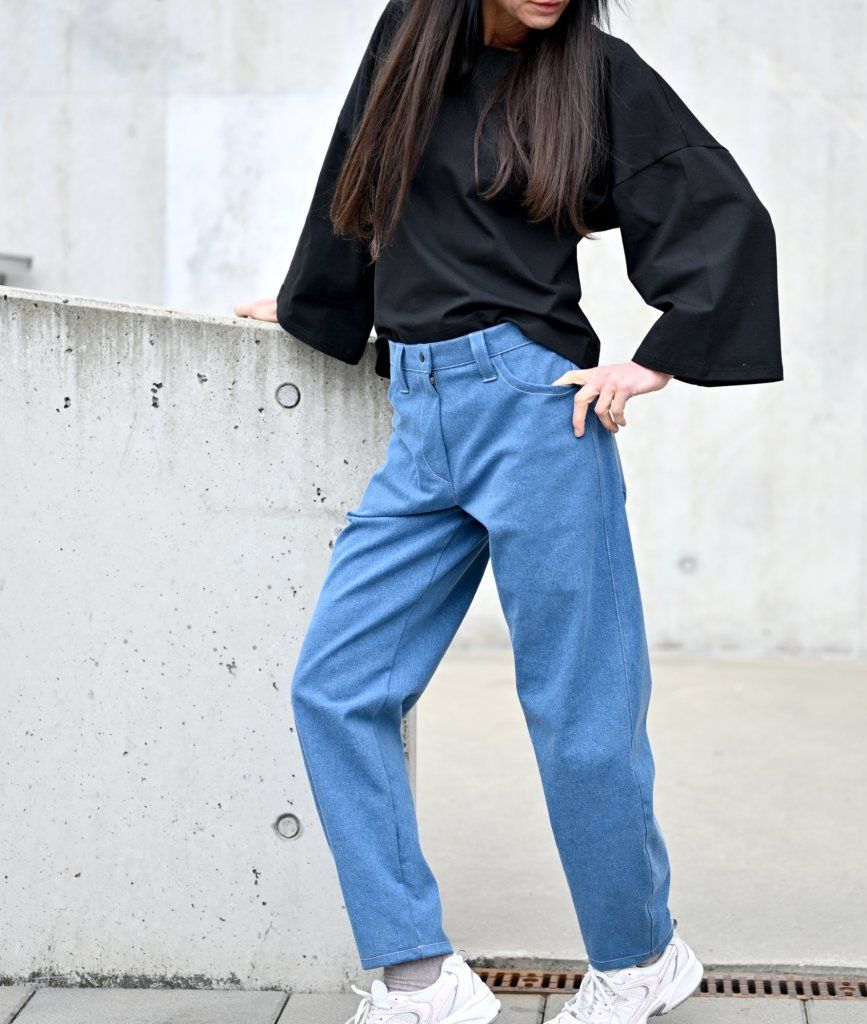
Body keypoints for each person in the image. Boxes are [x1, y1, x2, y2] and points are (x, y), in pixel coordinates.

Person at [236, 0, 782, 1021]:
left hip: (535, 412)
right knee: (337, 685)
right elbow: (356, 175)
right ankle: (419, 975)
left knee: (582, 717)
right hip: (421, 415)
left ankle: (640, 959)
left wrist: (657, 359)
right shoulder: (409, 42)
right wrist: (314, 303)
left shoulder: (594, 72)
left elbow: (717, 208)